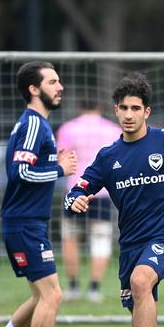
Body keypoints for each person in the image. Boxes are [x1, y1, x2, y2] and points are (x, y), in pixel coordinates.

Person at [64, 72, 164, 327]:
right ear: (115, 110)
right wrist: (76, 199)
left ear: (147, 111)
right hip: (131, 242)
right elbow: (79, 187)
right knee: (142, 311)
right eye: (124, 108)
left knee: (141, 281)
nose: (129, 114)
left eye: (135, 108)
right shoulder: (108, 156)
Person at [0, 61, 77, 327]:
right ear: (33, 89)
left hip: (28, 223)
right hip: (25, 224)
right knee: (52, 295)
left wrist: (53, 161)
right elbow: (20, 172)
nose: (60, 87)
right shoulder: (33, 124)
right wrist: (60, 170)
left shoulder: (39, 125)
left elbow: (28, 168)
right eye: (52, 82)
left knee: (41, 296)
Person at [57, 99, 122, 302]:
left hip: (76, 190)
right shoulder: (112, 129)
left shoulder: (68, 128)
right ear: (100, 107)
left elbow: (61, 157)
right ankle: (94, 288)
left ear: (79, 107)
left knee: (70, 238)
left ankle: (74, 286)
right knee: (100, 239)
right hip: (102, 193)